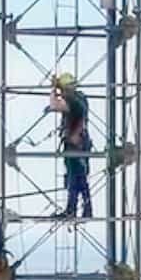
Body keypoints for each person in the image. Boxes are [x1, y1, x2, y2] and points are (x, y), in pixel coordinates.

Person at [45, 73, 92, 219]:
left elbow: (55, 105)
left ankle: (74, 210)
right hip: (80, 143)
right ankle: (82, 210)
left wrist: (53, 90)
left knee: (75, 179)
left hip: (75, 144)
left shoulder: (72, 100)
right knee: (79, 178)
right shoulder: (80, 98)